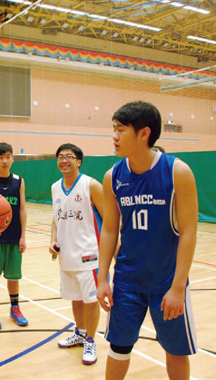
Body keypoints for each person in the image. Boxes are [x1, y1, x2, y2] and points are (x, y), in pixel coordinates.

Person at [97, 101, 198, 380]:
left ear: (144, 133)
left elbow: (189, 231)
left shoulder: (177, 171)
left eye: (121, 130)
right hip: (128, 281)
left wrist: (178, 286)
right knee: (118, 347)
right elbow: (109, 230)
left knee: (176, 351)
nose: (114, 137)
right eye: (113, 130)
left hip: (167, 281)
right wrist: (103, 278)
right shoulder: (113, 176)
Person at [49, 143, 104, 366]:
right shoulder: (55, 187)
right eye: (60, 157)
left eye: (69, 157)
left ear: (78, 161)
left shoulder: (90, 185)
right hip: (67, 255)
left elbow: (110, 218)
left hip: (89, 255)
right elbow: (56, 217)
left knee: (91, 300)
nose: (64, 160)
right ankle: (80, 334)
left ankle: (91, 340)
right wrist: (53, 239)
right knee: (76, 298)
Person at [0, 142, 28, 330]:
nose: (4, 160)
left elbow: (23, 209)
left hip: (14, 237)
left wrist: (23, 236)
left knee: (13, 277)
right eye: (0, 157)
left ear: (13, 158)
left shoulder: (19, 180)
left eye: (8, 156)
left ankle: (14, 308)